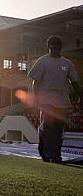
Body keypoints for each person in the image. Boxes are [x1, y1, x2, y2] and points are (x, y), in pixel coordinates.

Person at [28, 35, 81, 163]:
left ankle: (56, 155)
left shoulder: (67, 63)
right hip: (46, 102)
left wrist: (79, 95)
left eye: (58, 46)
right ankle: (45, 154)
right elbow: (36, 81)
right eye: (53, 46)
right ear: (49, 47)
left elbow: (74, 81)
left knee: (58, 130)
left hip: (62, 103)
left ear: (60, 47)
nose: (55, 48)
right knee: (47, 128)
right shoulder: (42, 61)